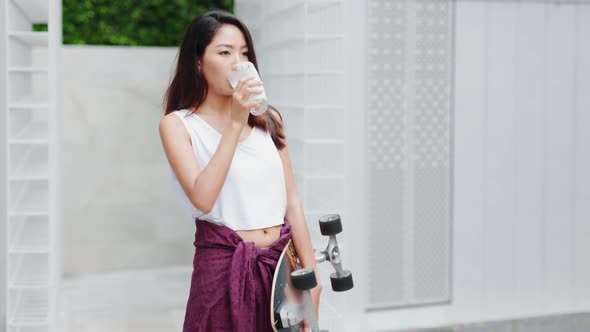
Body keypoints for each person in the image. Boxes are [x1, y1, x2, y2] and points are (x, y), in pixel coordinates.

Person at [158, 9, 322, 332]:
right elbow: (202, 197)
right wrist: (235, 120)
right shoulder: (178, 126)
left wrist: (312, 276)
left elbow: (292, 201)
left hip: (279, 273)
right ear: (198, 62)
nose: (238, 62)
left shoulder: (269, 119)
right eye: (224, 52)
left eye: (244, 53)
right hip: (222, 274)